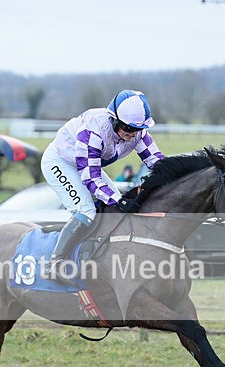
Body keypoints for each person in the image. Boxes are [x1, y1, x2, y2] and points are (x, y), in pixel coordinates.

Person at [40, 89, 165, 278]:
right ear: (113, 119)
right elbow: (90, 178)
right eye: (128, 128)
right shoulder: (94, 128)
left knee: (115, 209)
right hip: (60, 162)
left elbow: (157, 162)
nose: (132, 134)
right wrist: (119, 201)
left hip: (88, 166)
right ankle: (54, 263)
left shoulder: (137, 132)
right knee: (87, 211)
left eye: (137, 129)